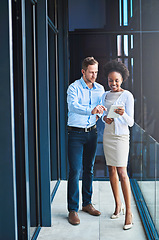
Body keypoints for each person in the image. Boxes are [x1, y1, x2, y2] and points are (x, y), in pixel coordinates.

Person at [67, 56, 106, 225]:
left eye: (96, 72)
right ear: (83, 71)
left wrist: (102, 114)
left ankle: (87, 204)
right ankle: (73, 210)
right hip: (75, 134)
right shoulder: (73, 88)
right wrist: (92, 110)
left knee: (89, 169)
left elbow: (101, 110)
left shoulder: (100, 89)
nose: (94, 75)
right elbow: (73, 106)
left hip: (92, 133)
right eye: (91, 72)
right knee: (75, 171)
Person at [101, 59, 134, 230]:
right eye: (110, 80)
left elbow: (131, 122)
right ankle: (118, 205)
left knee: (122, 172)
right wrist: (104, 118)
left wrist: (122, 114)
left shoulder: (127, 95)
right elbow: (102, 115)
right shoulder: (105, 95)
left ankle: (129, 212)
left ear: (122, 80)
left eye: (116, 80)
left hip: (121, 138)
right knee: (111, 170)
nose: (113, 83)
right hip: (108, 135)